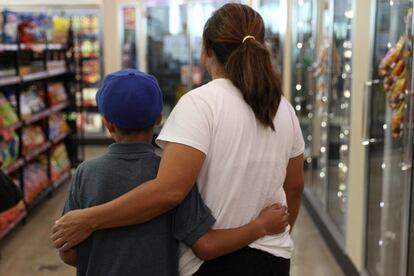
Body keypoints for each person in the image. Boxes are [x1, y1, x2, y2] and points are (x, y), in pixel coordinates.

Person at [52, 4, 304, 276]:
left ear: (207, 50)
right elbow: (294, 186)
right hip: (273, 258)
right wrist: (267, 230)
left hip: (213, 263)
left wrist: (89, 220)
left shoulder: (200, 104)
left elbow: (170, 192)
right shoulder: (282, 108)